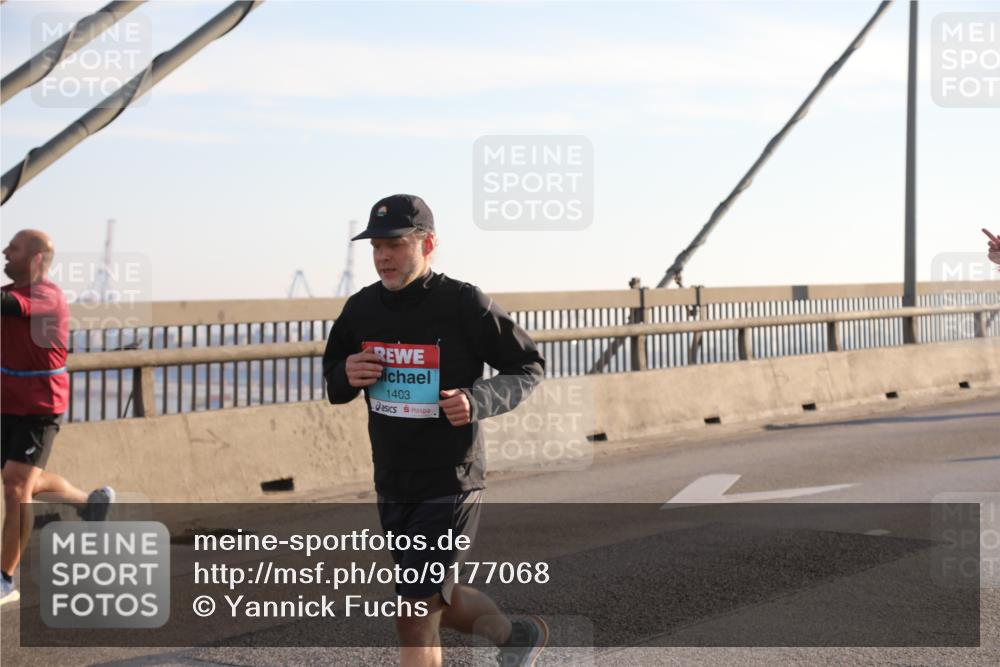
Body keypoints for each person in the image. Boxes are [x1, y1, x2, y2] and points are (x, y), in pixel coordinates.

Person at [323, 195, 547, 667]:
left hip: (451, 478)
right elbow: (335, 382)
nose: (383, 256)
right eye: (376, 246)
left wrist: (477, 400)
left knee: (413, 610)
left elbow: (527, 366)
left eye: (395, 245)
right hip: (393, 477)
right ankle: (512, 636)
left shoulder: (464, 302)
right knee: (431, 598)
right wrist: (348, 372)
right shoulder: (361, 308)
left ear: (428, 244)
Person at [1, 230, 115, 607]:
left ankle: (4, 578)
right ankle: (89, 503)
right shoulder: (14, 291)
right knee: (24, 477)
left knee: (17, 484)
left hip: (39, 407)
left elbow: (7, 305)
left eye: (13, 247)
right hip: (7, 403)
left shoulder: (46, 295)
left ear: (35, 259)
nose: (4, 251)